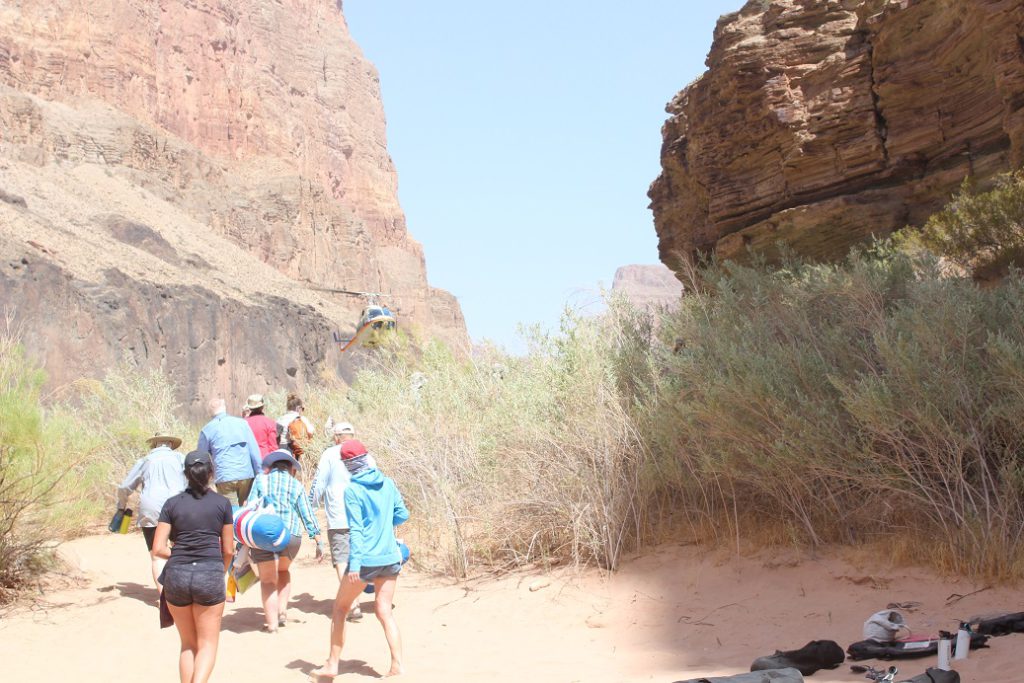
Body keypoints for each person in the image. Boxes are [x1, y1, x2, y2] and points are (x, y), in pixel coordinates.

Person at [314, 439, 409, 678]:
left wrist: (354, 564)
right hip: (390, 557)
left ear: (347, 464)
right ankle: (397, 665)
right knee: (384, 610)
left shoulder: (353, 490)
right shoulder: (388, 483)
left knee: (339, 609)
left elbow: (355, 529)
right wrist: (383, 526)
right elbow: (403, 514)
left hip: (365, 560)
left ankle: (332, 664)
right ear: (366, 458)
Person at [152, 450, 234, 683]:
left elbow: (158, 548)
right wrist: (221, 569)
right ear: (211, 472)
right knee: (207, 645)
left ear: (185, 474)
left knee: (188, 644)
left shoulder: (171, 504)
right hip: (209, 573)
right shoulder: (222, 504)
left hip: (176, 576)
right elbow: (228, 550)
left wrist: (178, 553)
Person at [250, 449, 324, 632]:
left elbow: (250, 507)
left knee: (267, 581)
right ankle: (282, 611)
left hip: (264, 535)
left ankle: (272, 625)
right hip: (290, 536)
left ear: (271, 466)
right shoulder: (296, 486)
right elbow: (307, 514)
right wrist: (318, 540)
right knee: (283, 571)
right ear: (291, 467)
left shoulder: (260, 480)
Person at [309, 421, 367, 622]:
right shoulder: (365, 453)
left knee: (342, 560)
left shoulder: (329, 454)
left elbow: (319, 483)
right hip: (362, 517)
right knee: (357, 557)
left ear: (335, 437)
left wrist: (311, 506)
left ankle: (353, 603)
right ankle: (355, 600)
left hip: (339, 516)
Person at [116, 431, 186, 590]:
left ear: (154, 444)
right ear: (170, 444)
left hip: (151, 509)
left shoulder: (145, 461)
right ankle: (181, 593)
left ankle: (164, 598)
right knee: (180, 550)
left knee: (157, 556)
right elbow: (192, 480)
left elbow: (124, 487)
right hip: (179, 506)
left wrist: (121, 506)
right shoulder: (180, 458)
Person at [196, 397, 262, 507]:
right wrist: (259, 474)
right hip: (245, 474)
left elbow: (201, 458)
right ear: (225, 408)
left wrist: (203, 483)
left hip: (224, 477)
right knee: (246, 511)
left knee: (232, 514)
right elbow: (254, 451)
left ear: (210, 413)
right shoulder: (242, 424)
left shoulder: (207, 430)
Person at [276, 393, 315, 459]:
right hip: (295, 450)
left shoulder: (279, 419)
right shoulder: (302, 419)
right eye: (302, 409)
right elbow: (311, 432)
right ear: (298, 408)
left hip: (280, 450)